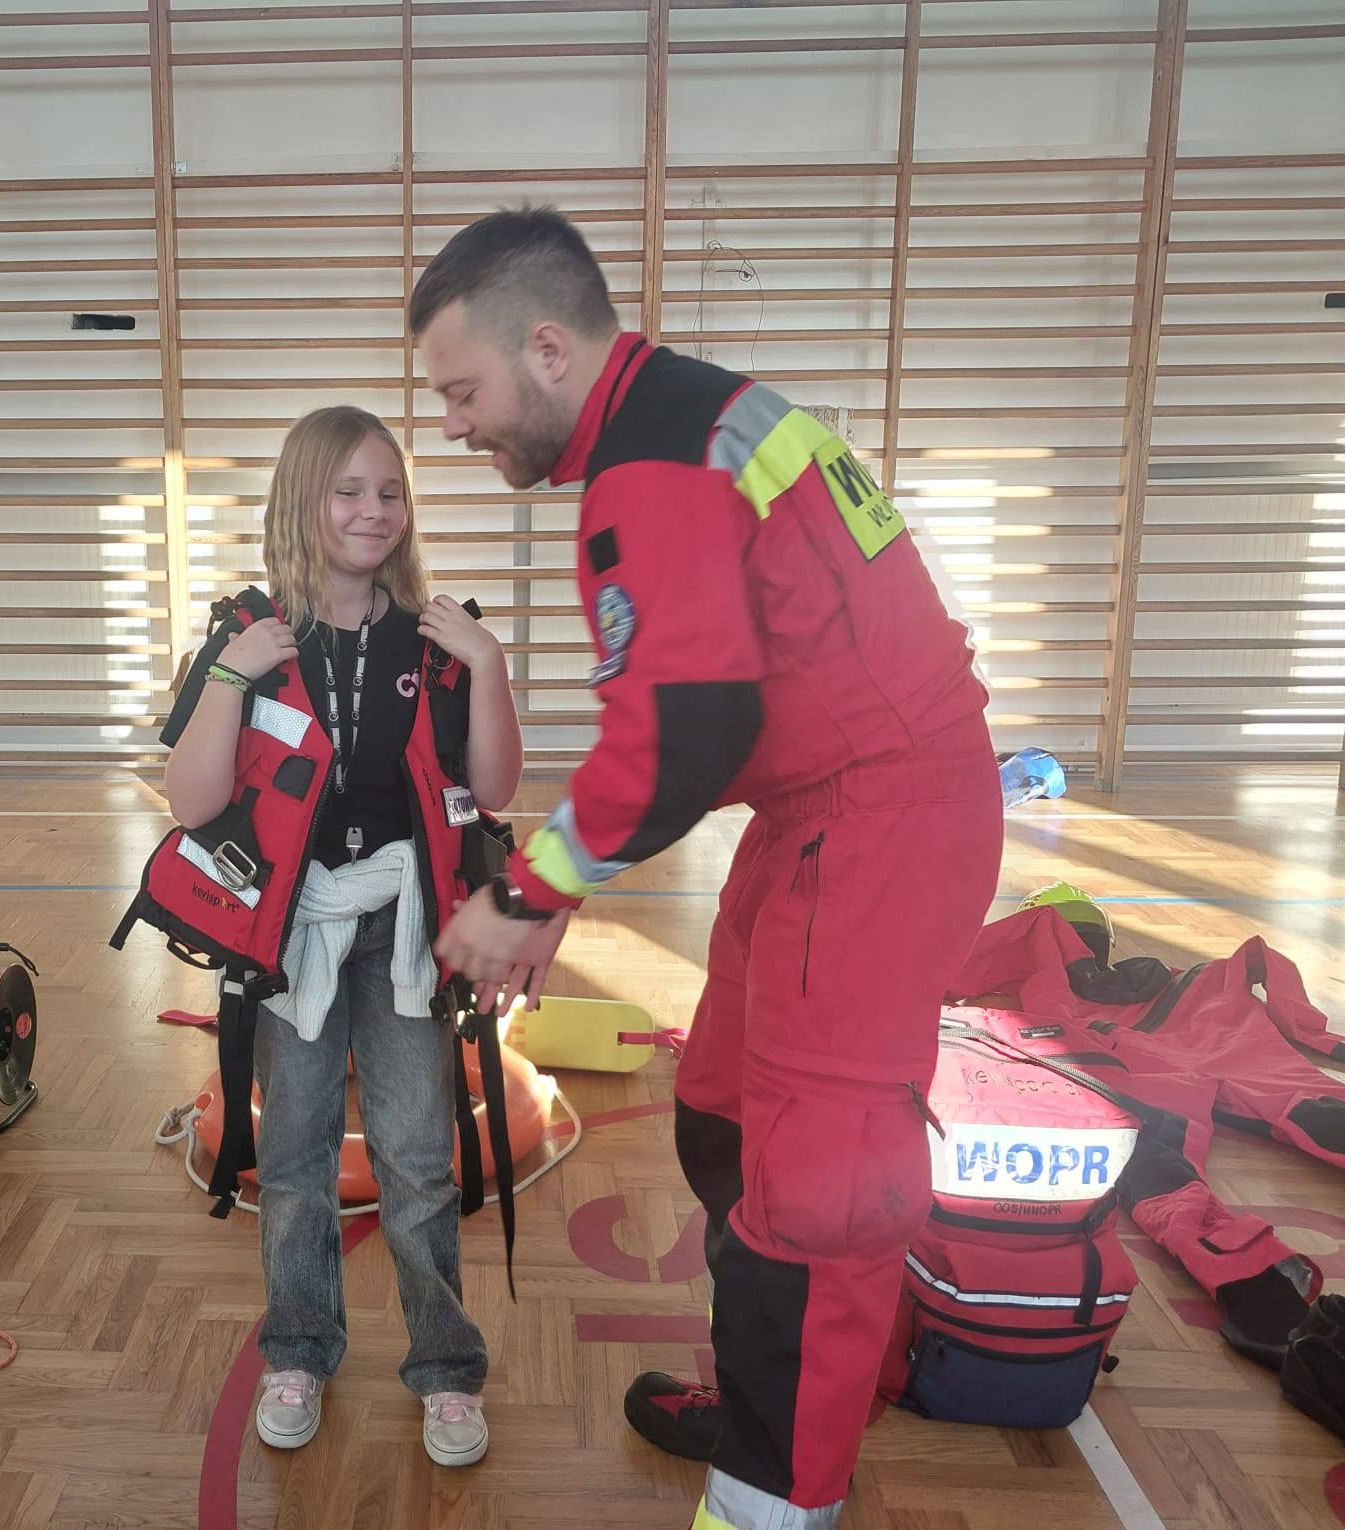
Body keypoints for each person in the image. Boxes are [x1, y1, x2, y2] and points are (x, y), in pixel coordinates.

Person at [413, 208, 1003, 1530]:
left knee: (816, 1200)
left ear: (547, 349)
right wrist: (553, 889)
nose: (451, 424)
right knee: (723, 1116)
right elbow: (725, 708)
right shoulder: (684, 418)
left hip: (880, 828)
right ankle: (769, 1399)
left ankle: (777, 1496)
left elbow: (683, 735)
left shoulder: (654, 464)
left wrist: (526, 893)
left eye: (461, 391)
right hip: (820, 813)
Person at [158, 405, 523, 1467]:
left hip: (404, 934)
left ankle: (446, 1369)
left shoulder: (439, 640)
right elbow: (191, 803)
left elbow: (495, 790)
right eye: (349, 491)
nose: (373, 511)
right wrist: (231, 675)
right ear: (300, 500)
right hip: (293, 938)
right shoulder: (249, 638)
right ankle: (299, 1351)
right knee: (294, 1156)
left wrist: (491, 668)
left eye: (390, 492)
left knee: (418, 1158)